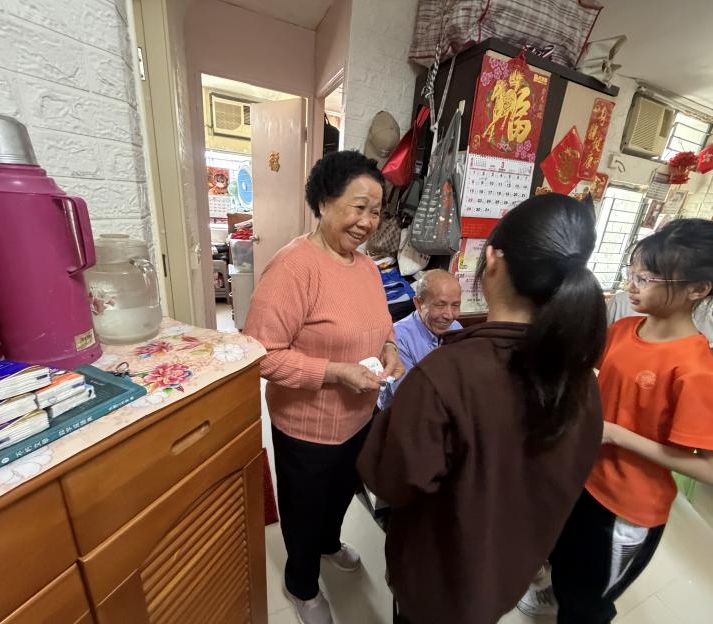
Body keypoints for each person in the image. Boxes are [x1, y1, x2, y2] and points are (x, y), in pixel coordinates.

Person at [357, 194, 607, 624]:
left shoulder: (446, 374)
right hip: (507, 575)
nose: (447, 314)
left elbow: (390, 480)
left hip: (438, 583)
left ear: (491, 260)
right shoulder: (582, 378)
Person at [518, 218, 713, 623]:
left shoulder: (695, 371)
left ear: (697, 289)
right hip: (583, 481)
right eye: (631, 273)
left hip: (625, 507)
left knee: (587, 605)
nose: (632, 285)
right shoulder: (624, 329)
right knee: (567, 565)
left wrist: (618, 435)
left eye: (646, 278)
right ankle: (559, 592)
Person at [243, 150, 405, 624]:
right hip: (307, 427)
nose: (367, 222)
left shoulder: (368, 267)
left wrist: (391, 348)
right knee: (304, 509)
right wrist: (335, 372)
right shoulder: (293, 267)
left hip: (359, 417)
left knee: (342, 491)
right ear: (324, 202)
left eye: (375, 211)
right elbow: (262, 354)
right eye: (358, 207)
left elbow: (383, 325)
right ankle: (301, 585)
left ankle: (329, 543)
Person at [377, 269, 463, 410]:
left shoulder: (456, 327)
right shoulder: (397, 339)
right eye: (440, 305)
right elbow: (408, 399)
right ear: (418, 303)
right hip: (403, 413)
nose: (449, 315)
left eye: (455, 305)